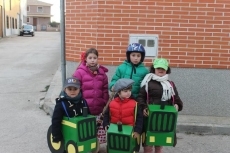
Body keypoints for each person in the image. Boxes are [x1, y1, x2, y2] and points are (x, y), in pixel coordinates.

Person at [137, 58, 183, 153]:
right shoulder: (148, 83)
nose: (161, 70)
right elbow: (140, 97)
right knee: (148, 139)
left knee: (160, 138)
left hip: (163, 117)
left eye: (163, 68)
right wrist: (144, 107)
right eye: (158, 68)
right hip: (150, 116)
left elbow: (176, 98)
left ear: (167, 69)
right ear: (154, 69)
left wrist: (177, 104)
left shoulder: (170, 84)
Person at [72, 48, 109, 144]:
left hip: (99, 109)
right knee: (86, 132)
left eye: (95, 58)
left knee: (97, 135)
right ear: (86, 59)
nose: (92, 60)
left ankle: (97, 149)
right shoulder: (79, 72)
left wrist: (105, 103)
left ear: (97, 59)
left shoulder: (102, 74)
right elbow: (75, 89)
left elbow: (105, 90)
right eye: (90, 58)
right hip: (86, 109)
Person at [52, 77, 90, 143]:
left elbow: (88, 115)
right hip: (67, 134)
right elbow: (56, 121)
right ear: (65, 89)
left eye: (75, 89)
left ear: (79, 89)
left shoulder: (83, 102)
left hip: (81, 132)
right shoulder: (61, 104)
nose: (72, 91)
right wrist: (56, 135)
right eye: (69, 89)